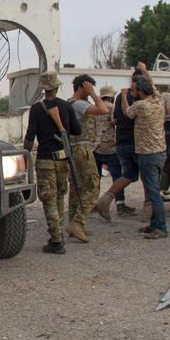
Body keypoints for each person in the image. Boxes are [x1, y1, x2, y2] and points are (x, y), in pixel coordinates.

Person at [23, 72, 80, 254]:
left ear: (43, 88)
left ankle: (56, 240)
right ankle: (59, 234)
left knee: (48, 199)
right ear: (56, 87)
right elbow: (77, 130)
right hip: (62, 158)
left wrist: (25, 155)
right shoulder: (66, 106)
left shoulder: (37, 109)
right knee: (59, 197)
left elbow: (30, 136)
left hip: (45, 159)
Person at [118, 74, 169, 238]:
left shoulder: (140, 105)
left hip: (147, 154)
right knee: (154, 189)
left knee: (153, 192)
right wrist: (145, 71)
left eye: (133, 90)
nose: (132, 92)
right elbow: (153, 88)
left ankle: (160, 227)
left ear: (140, 91)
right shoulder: (159, 101)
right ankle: (154, 224)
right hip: (160, 152)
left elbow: (127, 113)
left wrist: (124, 96)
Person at [66, 74, 108, 243]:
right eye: (89, 87)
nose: (91, 91)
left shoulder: (70, 103)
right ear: (82, 86)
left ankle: (74, 225)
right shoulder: (79, 104)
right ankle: (78, 222)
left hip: (73, 149)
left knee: (77, 188)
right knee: (93, 186)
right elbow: (103, 110)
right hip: (81, 148)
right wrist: (93, 94)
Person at [92, 86, 135, 216]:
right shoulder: (111, 107)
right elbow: (115, 121)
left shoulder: (95, 108)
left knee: (95, 178)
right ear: (111, 96)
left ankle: (93, 203)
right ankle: (120, 205)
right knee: (117, 177)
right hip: (110, 148)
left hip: (95, 147)